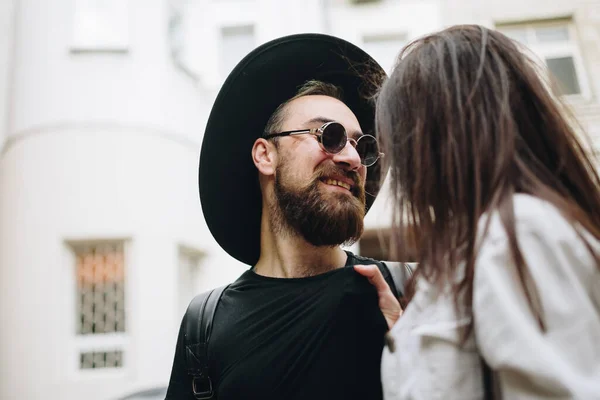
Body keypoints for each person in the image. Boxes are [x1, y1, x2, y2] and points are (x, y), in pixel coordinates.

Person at [165, 33, 402, 400]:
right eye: (330, 135)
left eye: (362, 145)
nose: (353, 160)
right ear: (265, 156)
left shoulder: (403, 293)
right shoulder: (204, 328)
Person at [375, 24, 600, 399]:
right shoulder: (486, 243)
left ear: (434, 135)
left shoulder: (517, 233)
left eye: (396, 142)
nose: (398, 166)